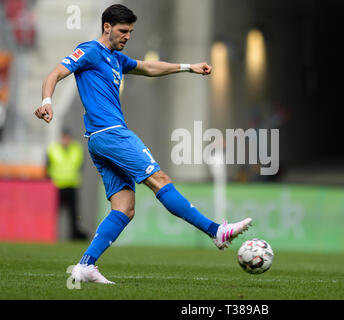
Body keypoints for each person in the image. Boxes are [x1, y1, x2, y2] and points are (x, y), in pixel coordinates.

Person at [34, 4, 252, 284]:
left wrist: (189, 67)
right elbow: (54, 74)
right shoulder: (89, 50)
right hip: (112, 133)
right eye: (123, 31)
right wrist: (46, 102)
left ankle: (85, 266)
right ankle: (215, 232)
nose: (127, 36)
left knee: (124, 207)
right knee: (159, 178)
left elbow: (148, 67)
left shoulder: (116, 58)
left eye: (131, 32)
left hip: (99, 140)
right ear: (107, 27)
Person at [46, 127, 87, 240]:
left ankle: (73, 236)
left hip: (72, 185)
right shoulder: (53, 148)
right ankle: (50, 236)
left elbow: (80, 166)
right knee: (53, 214)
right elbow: (47, 167)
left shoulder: (76, 148)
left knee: (74, 214)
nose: (66, 139)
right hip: (57, 187)